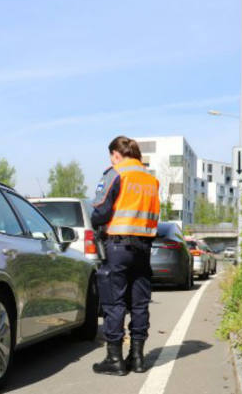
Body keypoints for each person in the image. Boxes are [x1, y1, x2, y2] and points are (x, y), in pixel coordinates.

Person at [90, 136, 160, 376]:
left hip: (118, 246)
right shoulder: (151, 179)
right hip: (143, 248)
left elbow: (100, 211)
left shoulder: (116, 172)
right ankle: (138, 358)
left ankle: (115, 359)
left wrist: (98, 223)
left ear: (116, 154)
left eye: (111, 156)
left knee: (114, 302)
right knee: (139, 303)